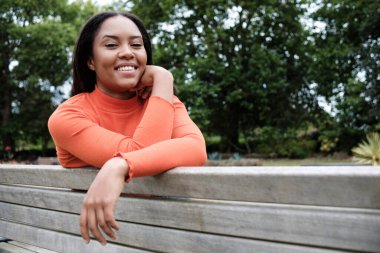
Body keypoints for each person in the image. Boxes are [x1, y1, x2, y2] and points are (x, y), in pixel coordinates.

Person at [48, 11, 207, 246]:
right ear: (90, 61)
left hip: (166, 239)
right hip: (99, 244)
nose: (127, 52)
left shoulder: (164, 101)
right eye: (111, 45)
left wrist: (119, 164)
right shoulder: (68, 116)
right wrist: (163, 80)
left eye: (136, 44)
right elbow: (141, 149)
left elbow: (196, 150)